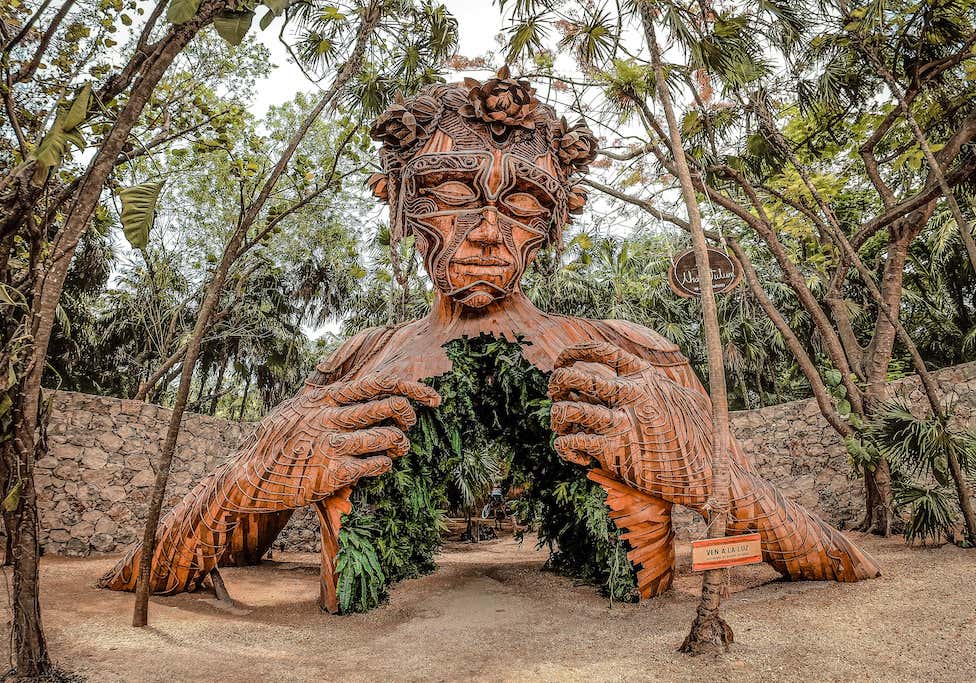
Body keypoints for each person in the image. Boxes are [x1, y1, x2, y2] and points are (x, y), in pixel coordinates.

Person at [101, 69, 878, 608]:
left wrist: (711, 474)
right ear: (400, 205)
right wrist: (252, 472)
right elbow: (151, 570)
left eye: (527, 206)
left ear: (557, 224)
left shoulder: (629, 356)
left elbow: (839, 558)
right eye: (448, 193)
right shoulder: (358, 361)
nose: (486, 235)